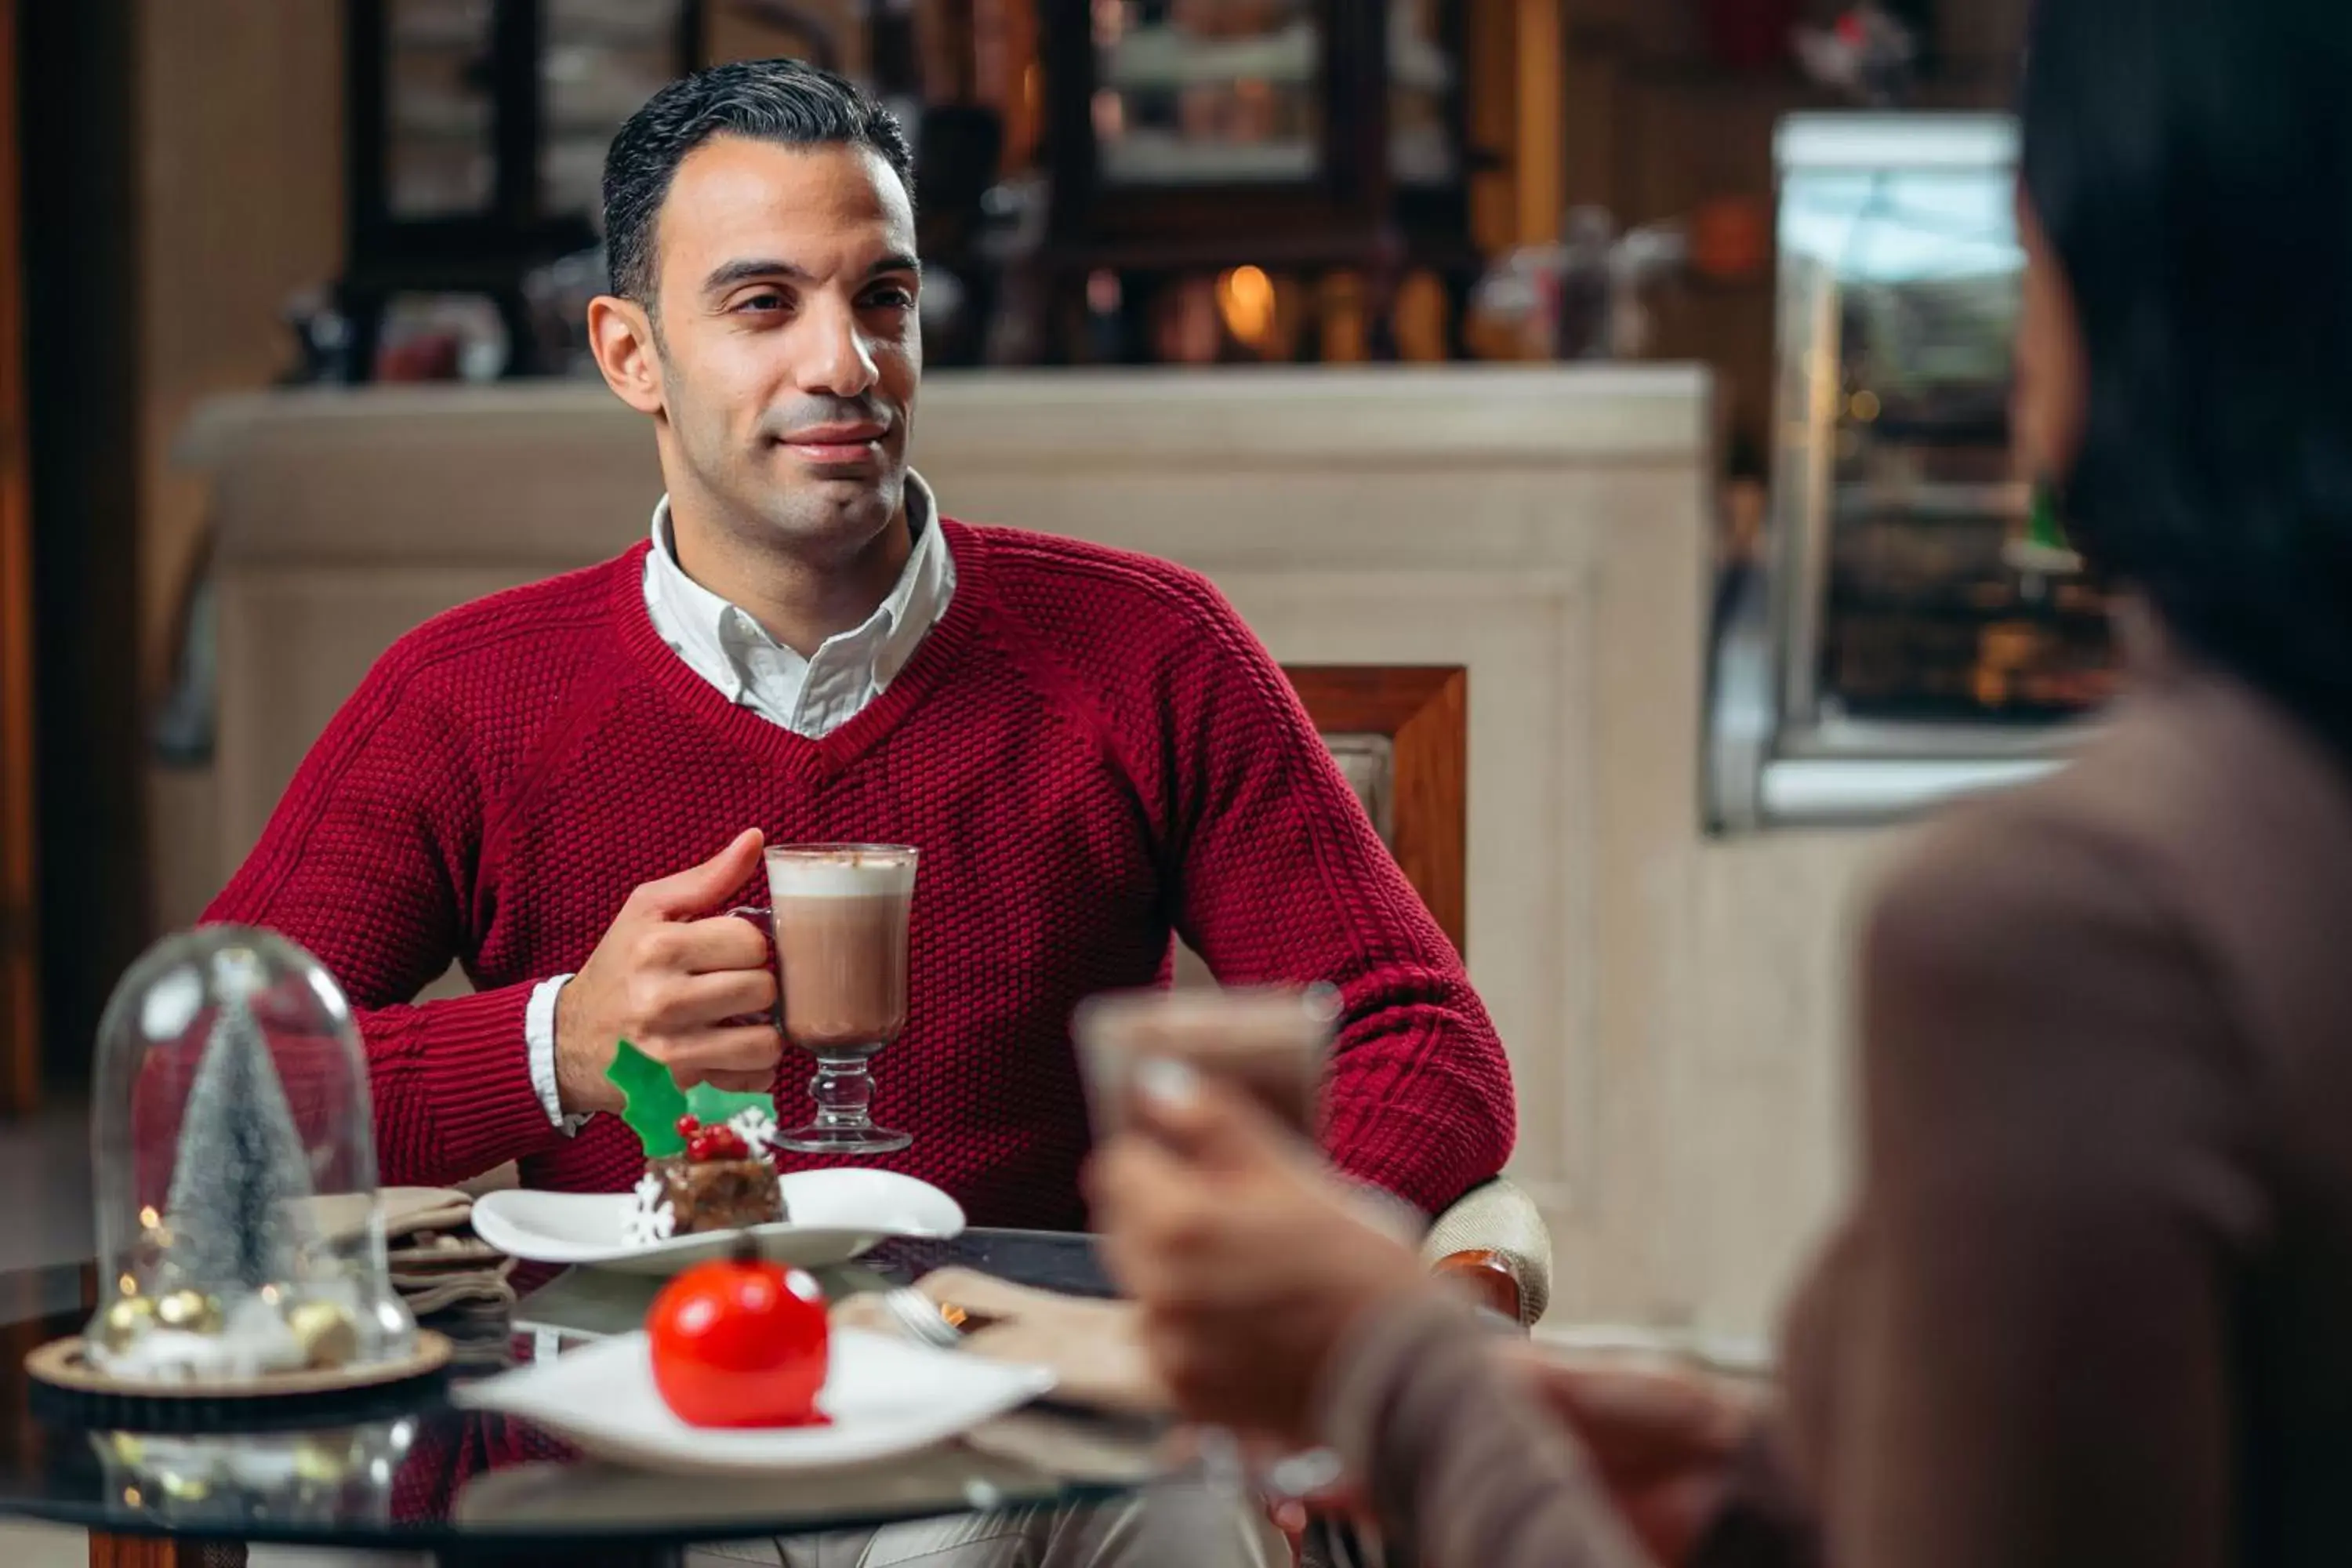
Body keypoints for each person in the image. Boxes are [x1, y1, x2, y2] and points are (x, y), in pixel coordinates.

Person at [1092, 0, 2352, 1563]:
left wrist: (1397, 1369)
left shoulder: (2074, 929)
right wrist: (1773, 1478)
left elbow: (1434, 1051)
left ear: (2121, 264)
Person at [202, 59, 1513, 1238]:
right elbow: (197, 1099)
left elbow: (1425, 1044)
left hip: (1029, 1432)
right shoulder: (465, 696)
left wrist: (1249, 1299)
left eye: (882, 298)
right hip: (621, 1437)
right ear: (630, 355)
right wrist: (558, 1045)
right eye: (764, 305)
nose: (848, 363)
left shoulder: (1149, 647)